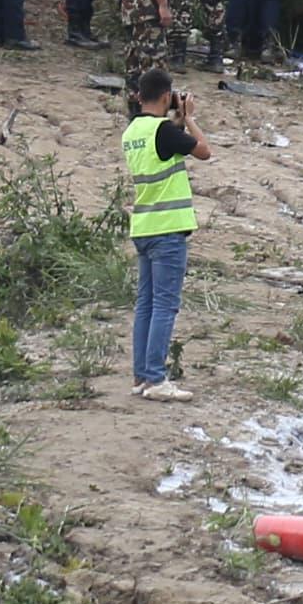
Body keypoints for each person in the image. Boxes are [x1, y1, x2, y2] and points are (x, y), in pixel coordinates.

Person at [122, 68, 199, 399]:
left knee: (146, 305)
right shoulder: (164, 130)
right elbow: (203, 150)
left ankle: (142, 375)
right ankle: (155, 379)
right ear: (167, 96)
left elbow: (167, 148)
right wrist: (190, 118)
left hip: (143, 227)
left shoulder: (132, 131)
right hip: (168, 230)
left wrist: (177, 121)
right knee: (165, 305)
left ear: (140, 96)